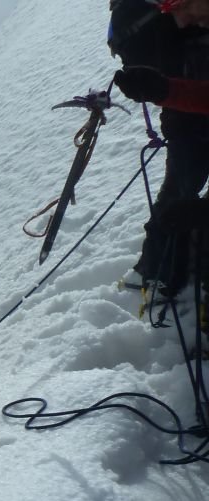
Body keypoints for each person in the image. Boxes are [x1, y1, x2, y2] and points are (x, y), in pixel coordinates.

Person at [109, 0, 209, 296]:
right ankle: (158, 271)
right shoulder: (181, 28)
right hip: (185, 122)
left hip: (185, 125)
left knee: (180, 194)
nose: (182, 21)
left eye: (183, 7)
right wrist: (165, 91)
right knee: (177, 196)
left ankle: (158, 272)